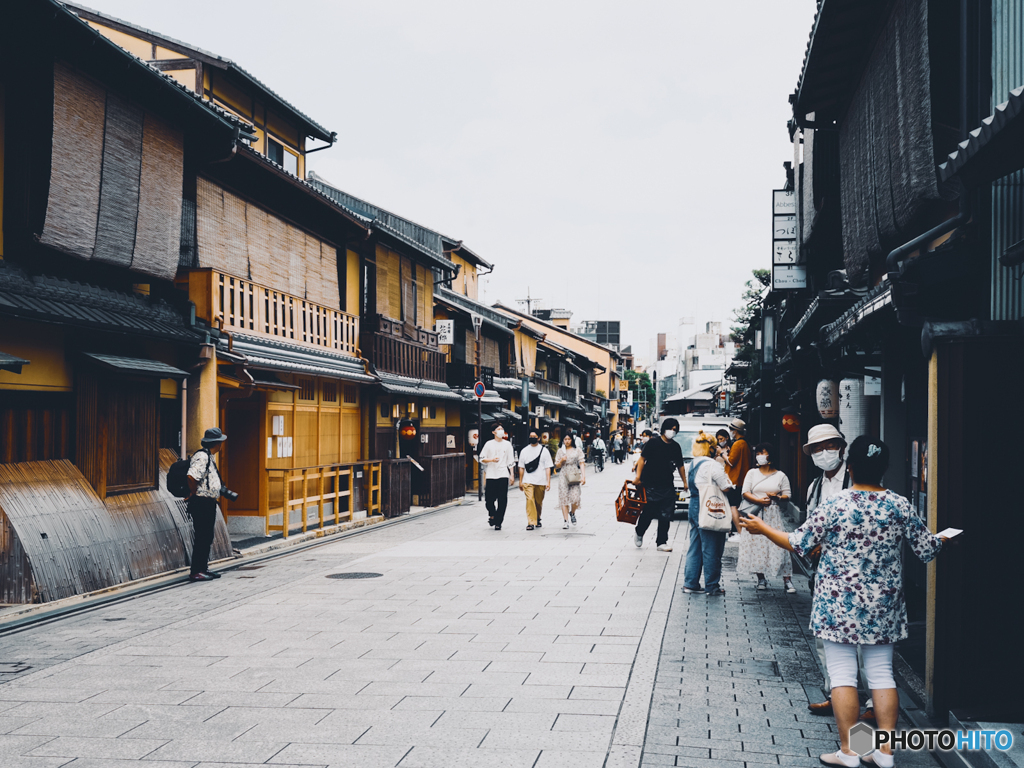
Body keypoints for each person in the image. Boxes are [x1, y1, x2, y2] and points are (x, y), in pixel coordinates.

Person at [739, 437, 950, 768]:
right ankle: (884, 753)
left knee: (842, 675)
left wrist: (762, 527)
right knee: (882, 675)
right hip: (884, 604)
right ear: (885, 469)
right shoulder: (899, 505)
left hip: (838, 604)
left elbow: (798, 543)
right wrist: (944, 538)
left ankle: (849, 752)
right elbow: (927, 549)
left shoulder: (836, 505)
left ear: (850, 468)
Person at [800, 425, 862, 719]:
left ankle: (869, 703)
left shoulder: (856, 481)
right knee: (823, 637)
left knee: (859, 641)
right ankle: (833, 694)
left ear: (841, 446)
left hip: (854, 576)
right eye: (816, 448)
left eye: (829, 445)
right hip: (823, 575)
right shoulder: (815, 487)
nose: (824, 453)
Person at [683, 432, 740, 595]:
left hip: (694, 504)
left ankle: (690, 583)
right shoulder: (712, 465)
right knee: (711, 548)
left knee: (695, 545)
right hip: (709, 505)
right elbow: (725, 486)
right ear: (712, 448)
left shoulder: (693, 463)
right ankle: (712, 586)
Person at [737, 443, 795, 593]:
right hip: (756, 514)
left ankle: (787, 579)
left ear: (771, 455)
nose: (760, 455)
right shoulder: (752, 473)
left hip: (773, 515)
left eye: (763, 452)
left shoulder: (781, 475)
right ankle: (761, 578)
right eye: (758, 453)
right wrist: (758, 501)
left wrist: (777, 497)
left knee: (780, 545)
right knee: (757, 545)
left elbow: (787, 495)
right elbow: (745, 492)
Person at [633, 417, 687, 552]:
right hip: (650, 483)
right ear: (664, 429)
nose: (672, 432)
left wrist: (685, 482)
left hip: (667, 484)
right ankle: (639, 532)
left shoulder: (675, 447)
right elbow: (641, 460)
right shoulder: (653, 443)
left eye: (675, 430)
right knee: (649, 512)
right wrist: (638, 477)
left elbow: (681, 466)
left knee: (666, 514)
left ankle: (661, 542)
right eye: (670, 429)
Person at [186, 427, 227, 583]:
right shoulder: (202, 457)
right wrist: (193, 492)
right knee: (202, 536)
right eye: (220, 442)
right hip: (202, 502)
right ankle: (196, 571)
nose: (222, 445)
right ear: (216, 443)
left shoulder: (209, 456)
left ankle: (203, 568)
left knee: (207, 536)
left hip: (208, 502)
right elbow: (191, 476)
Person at [480, 423, 515, 531]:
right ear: (493, 432)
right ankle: (492, 514)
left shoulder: (507, 444)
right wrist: (491, 459)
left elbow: (511, 460)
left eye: (502, 428)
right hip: (491, 475)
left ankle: (498, 522)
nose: (501, 430)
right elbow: (482, 458)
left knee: (502, 499)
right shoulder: (488, 444)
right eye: (498, 429)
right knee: (489, 500)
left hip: (503, 474)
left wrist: (512, 474)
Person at [518, 430, 553, 530]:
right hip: (528, 480)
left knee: (538, 502)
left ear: (538, 438)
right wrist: (520, 481)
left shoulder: (544, 451)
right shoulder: (524, 451)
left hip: (541, 480)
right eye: (530, 436)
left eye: (534, 436)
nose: (532, 437)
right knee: (530, 500)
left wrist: (548, 482)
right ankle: (531, 522)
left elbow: (548, 467)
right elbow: (521, 467)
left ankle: (537, 518)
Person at [555, 433, 585, 528]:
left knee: (575, 498)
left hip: (574, 474)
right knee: (564, 497)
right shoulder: (560, 451)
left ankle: (572, 513)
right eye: (565, 439)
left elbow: (581, 462)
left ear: (572, 440)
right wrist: (561, 461)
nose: (567, 441)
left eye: (569, 439)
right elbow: (557, 465)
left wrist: (583, 476)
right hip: (564, 475)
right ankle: (566, 521)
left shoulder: (577, 450)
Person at [725, 418, 751, 488]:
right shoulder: (744, 442)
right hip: (741, 480)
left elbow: (731, 461)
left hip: (735, 480)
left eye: (731, 429)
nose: (730, 431)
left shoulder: (738, 443)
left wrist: (722, 454)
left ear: (735, 431)